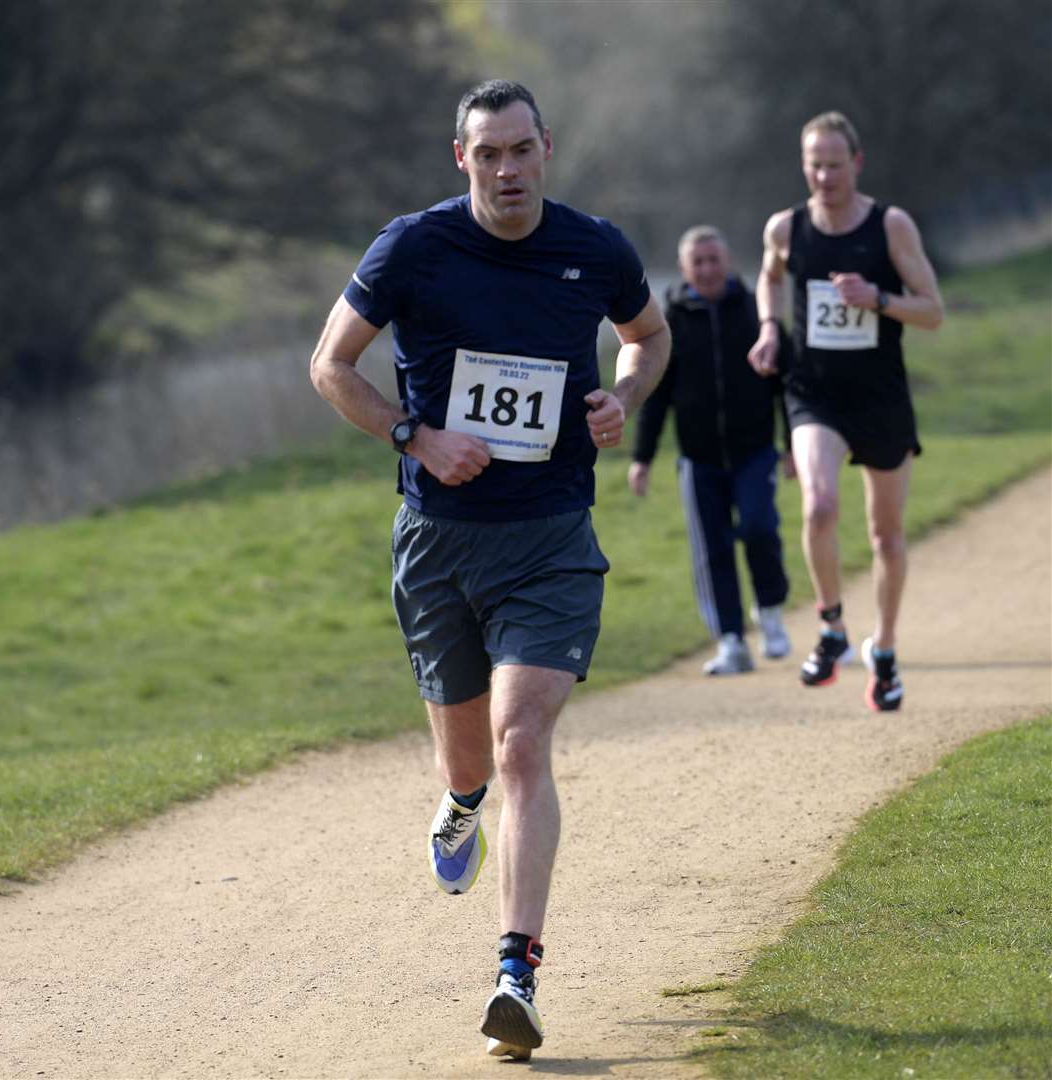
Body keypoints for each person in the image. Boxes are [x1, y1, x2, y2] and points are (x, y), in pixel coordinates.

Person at [308, 79, 668, 1060]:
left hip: (550, 537)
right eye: (487, 154)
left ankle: (514, 970)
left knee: (521, 745)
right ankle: (458, 803)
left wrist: (621, 399)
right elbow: (329, 366)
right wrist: (411, 436)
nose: (506, 170)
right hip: (438, 543)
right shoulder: (411, 247)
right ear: (458, 159)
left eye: (521, 150)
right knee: (469, 765)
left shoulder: (592, 249)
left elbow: (647, 335)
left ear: (545, 149)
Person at [747, 111, 944, 711]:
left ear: (856, 163)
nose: (825, 175)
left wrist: (877, 298)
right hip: (814, 392)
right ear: (803, 165)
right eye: (815, 164)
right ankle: (832, 627)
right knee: (820, 503)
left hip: (880, 396)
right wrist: (768, 329)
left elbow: (932, 310)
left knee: (885, 537)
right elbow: (769, 276)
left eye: (835, 164)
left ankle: (882, 650)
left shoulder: (891, 226)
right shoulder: (786, 227)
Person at [629, 225, 792, 675]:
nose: (706, 269)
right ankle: (731, 641)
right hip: (698, 459)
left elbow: (785, 382)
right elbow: (657, 395)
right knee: (711, 549)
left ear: (728, 262)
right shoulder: (672, 320)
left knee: (760, 528)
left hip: (755, 450)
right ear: (684, 269)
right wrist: (642, 458)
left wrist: (792, 444)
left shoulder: (756, 312)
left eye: (713, 260)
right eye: (696, 262)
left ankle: (771, 612)